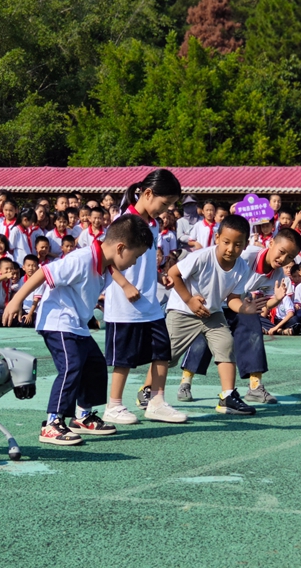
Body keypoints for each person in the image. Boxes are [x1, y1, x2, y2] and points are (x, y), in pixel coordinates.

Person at [3, 213, 153, 446]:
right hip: (58, 322)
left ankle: (82, 416)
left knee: (95, 364)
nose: (135, 262)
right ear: (121, 248)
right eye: (136, 256)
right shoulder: (81, 259)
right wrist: (16, 300)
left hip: (77, 324)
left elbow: (109, 268)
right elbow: (44, 272)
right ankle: (52, 423)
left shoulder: (104, 262)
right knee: (71, 365)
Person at [177, 227, 301, 404]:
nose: (283, 259)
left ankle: (255, 386)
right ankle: (185, 382)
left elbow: (262, 307)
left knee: (253, 327)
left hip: (240, 306)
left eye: (290, 257)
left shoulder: (278, 275)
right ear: (271, 243)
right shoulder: (247, 254)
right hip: (215, 302)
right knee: (202, 338)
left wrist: (276, 300)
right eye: (281, 252)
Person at [102, 169, 186, 425]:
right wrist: (125, 285)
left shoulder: (154, 224)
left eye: (170, 205)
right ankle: (113, 405)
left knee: (162, 351)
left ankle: (157, 402)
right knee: (123, 359)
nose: (166, 210)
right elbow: (106, 258)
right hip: (124, 305)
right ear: (148, 193)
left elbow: (145, 261)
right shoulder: (123, 222)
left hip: (150, 304)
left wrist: (159, 276)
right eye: (165, 203)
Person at [164, 215, 266, 416]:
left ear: (245, 245)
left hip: (212, 313)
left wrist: (244, 309)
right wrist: (190, 300)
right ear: (217, 238)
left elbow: (233, 299)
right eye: (226, 242)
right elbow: (174, 273)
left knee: (226, 345)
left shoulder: (242, 267)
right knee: (166, 356)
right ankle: (148, 391)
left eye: (238, 244)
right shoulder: (202, 256)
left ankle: (227, 397)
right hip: (183, 311)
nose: (231, 249)